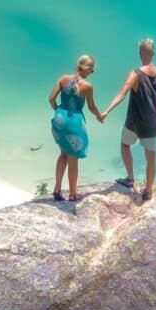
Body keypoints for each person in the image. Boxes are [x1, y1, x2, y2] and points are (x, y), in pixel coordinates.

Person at [109, 38, 156, 203]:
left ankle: (130, 178)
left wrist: (106, 111)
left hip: (134, 123)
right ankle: (148, 191)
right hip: (152, 124)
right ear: (153, 53)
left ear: (140, 53)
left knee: (125, 145)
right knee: (151, 157)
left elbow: (122, 93)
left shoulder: (135, 74)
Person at [48, 53, 105, 206]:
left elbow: (51, 99)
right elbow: (92, 107)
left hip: (59, 120)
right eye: (91, 70)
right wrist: (100, 116)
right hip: (74, 123)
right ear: (85, 69)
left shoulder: (62, 79)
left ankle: (57, 188)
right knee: (73, 158)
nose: (91, 73)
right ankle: (73, 193)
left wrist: (60, 114)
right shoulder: (87, 86)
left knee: (63, 154)